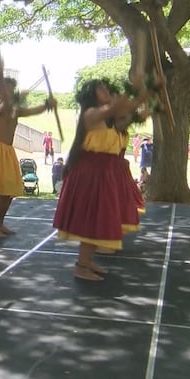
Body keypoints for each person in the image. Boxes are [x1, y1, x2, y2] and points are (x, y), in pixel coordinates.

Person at [53, 77, 151, 281]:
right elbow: (118, 105)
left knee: (97, 217)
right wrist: (131, 88)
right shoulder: (91, 114)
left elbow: (130, 108)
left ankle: (87, 261)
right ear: (91, 95)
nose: (106, 90)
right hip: (90, 173)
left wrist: (151, 89)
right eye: (101, 88)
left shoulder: (110, 118)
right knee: (92, 219)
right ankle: (80, 266)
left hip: (101, 173)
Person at [0, 77, 57, 238]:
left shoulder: (14, 109)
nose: (11, 92)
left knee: (9, 191)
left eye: (12, 89)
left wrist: (46, 105)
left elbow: (32, 111)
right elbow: (4, 107)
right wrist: (12, 99)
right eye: (7, 89)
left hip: (7, 152)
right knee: (1, 192)